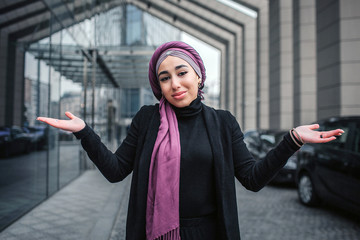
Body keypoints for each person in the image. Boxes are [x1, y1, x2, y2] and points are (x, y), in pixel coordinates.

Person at [37, 41, 344, 240]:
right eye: (164, 78)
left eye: (181, 72)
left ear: (198, 76)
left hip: (208, 233)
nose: (174, 83)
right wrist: (84, 131)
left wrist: (292, 139)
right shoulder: (147, 119)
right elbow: (116, 170)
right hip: (152, 232)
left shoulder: (222, 122)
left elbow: (252, 178)